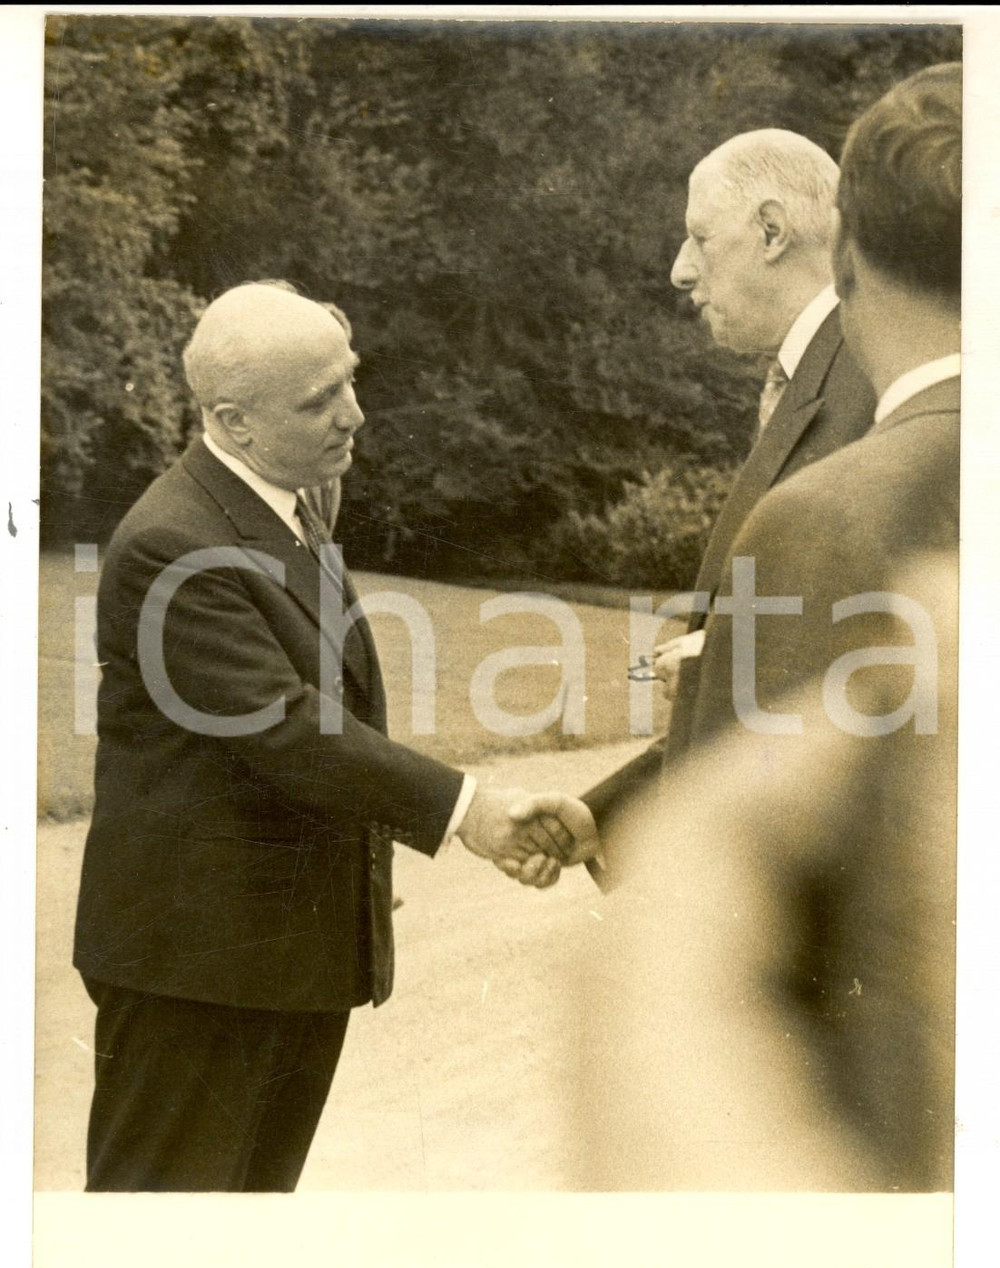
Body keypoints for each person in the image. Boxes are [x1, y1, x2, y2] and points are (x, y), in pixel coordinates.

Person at [73, 282, 594, 1192]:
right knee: (158, 1250)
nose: (355, 412)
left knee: (248, 1246)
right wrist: (467, 809)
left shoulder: (289, 503)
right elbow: (288, 730)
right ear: (232, 422)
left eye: (348, 379)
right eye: (319, 399)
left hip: (277, 961)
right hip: (196, 978)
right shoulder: (174, 547)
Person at [578, 61, 961, 1191]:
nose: (677, 269)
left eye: (700, 240)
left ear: (813, 241)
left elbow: (811, 780)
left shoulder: (860, 465)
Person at [566, 129, 878, 864]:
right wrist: (606, 812)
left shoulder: (870, 381)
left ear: (772, 231)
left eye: (700, 238)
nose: (680, 272)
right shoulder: (816, 378)